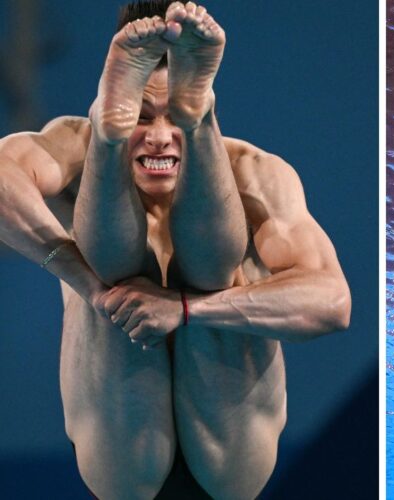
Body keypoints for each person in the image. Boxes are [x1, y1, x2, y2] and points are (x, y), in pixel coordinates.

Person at [0, 1, 351, 498]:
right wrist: (93, 288)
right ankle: (121, 135)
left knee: (212, 273)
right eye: (139, 118)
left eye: (175, 119)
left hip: (230, 457)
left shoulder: (254, 172)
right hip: (121, 451)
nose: (160, 139)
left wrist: (187, 310)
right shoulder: (71, 149)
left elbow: (332, 304)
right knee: (119, 282)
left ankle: (191, 119)